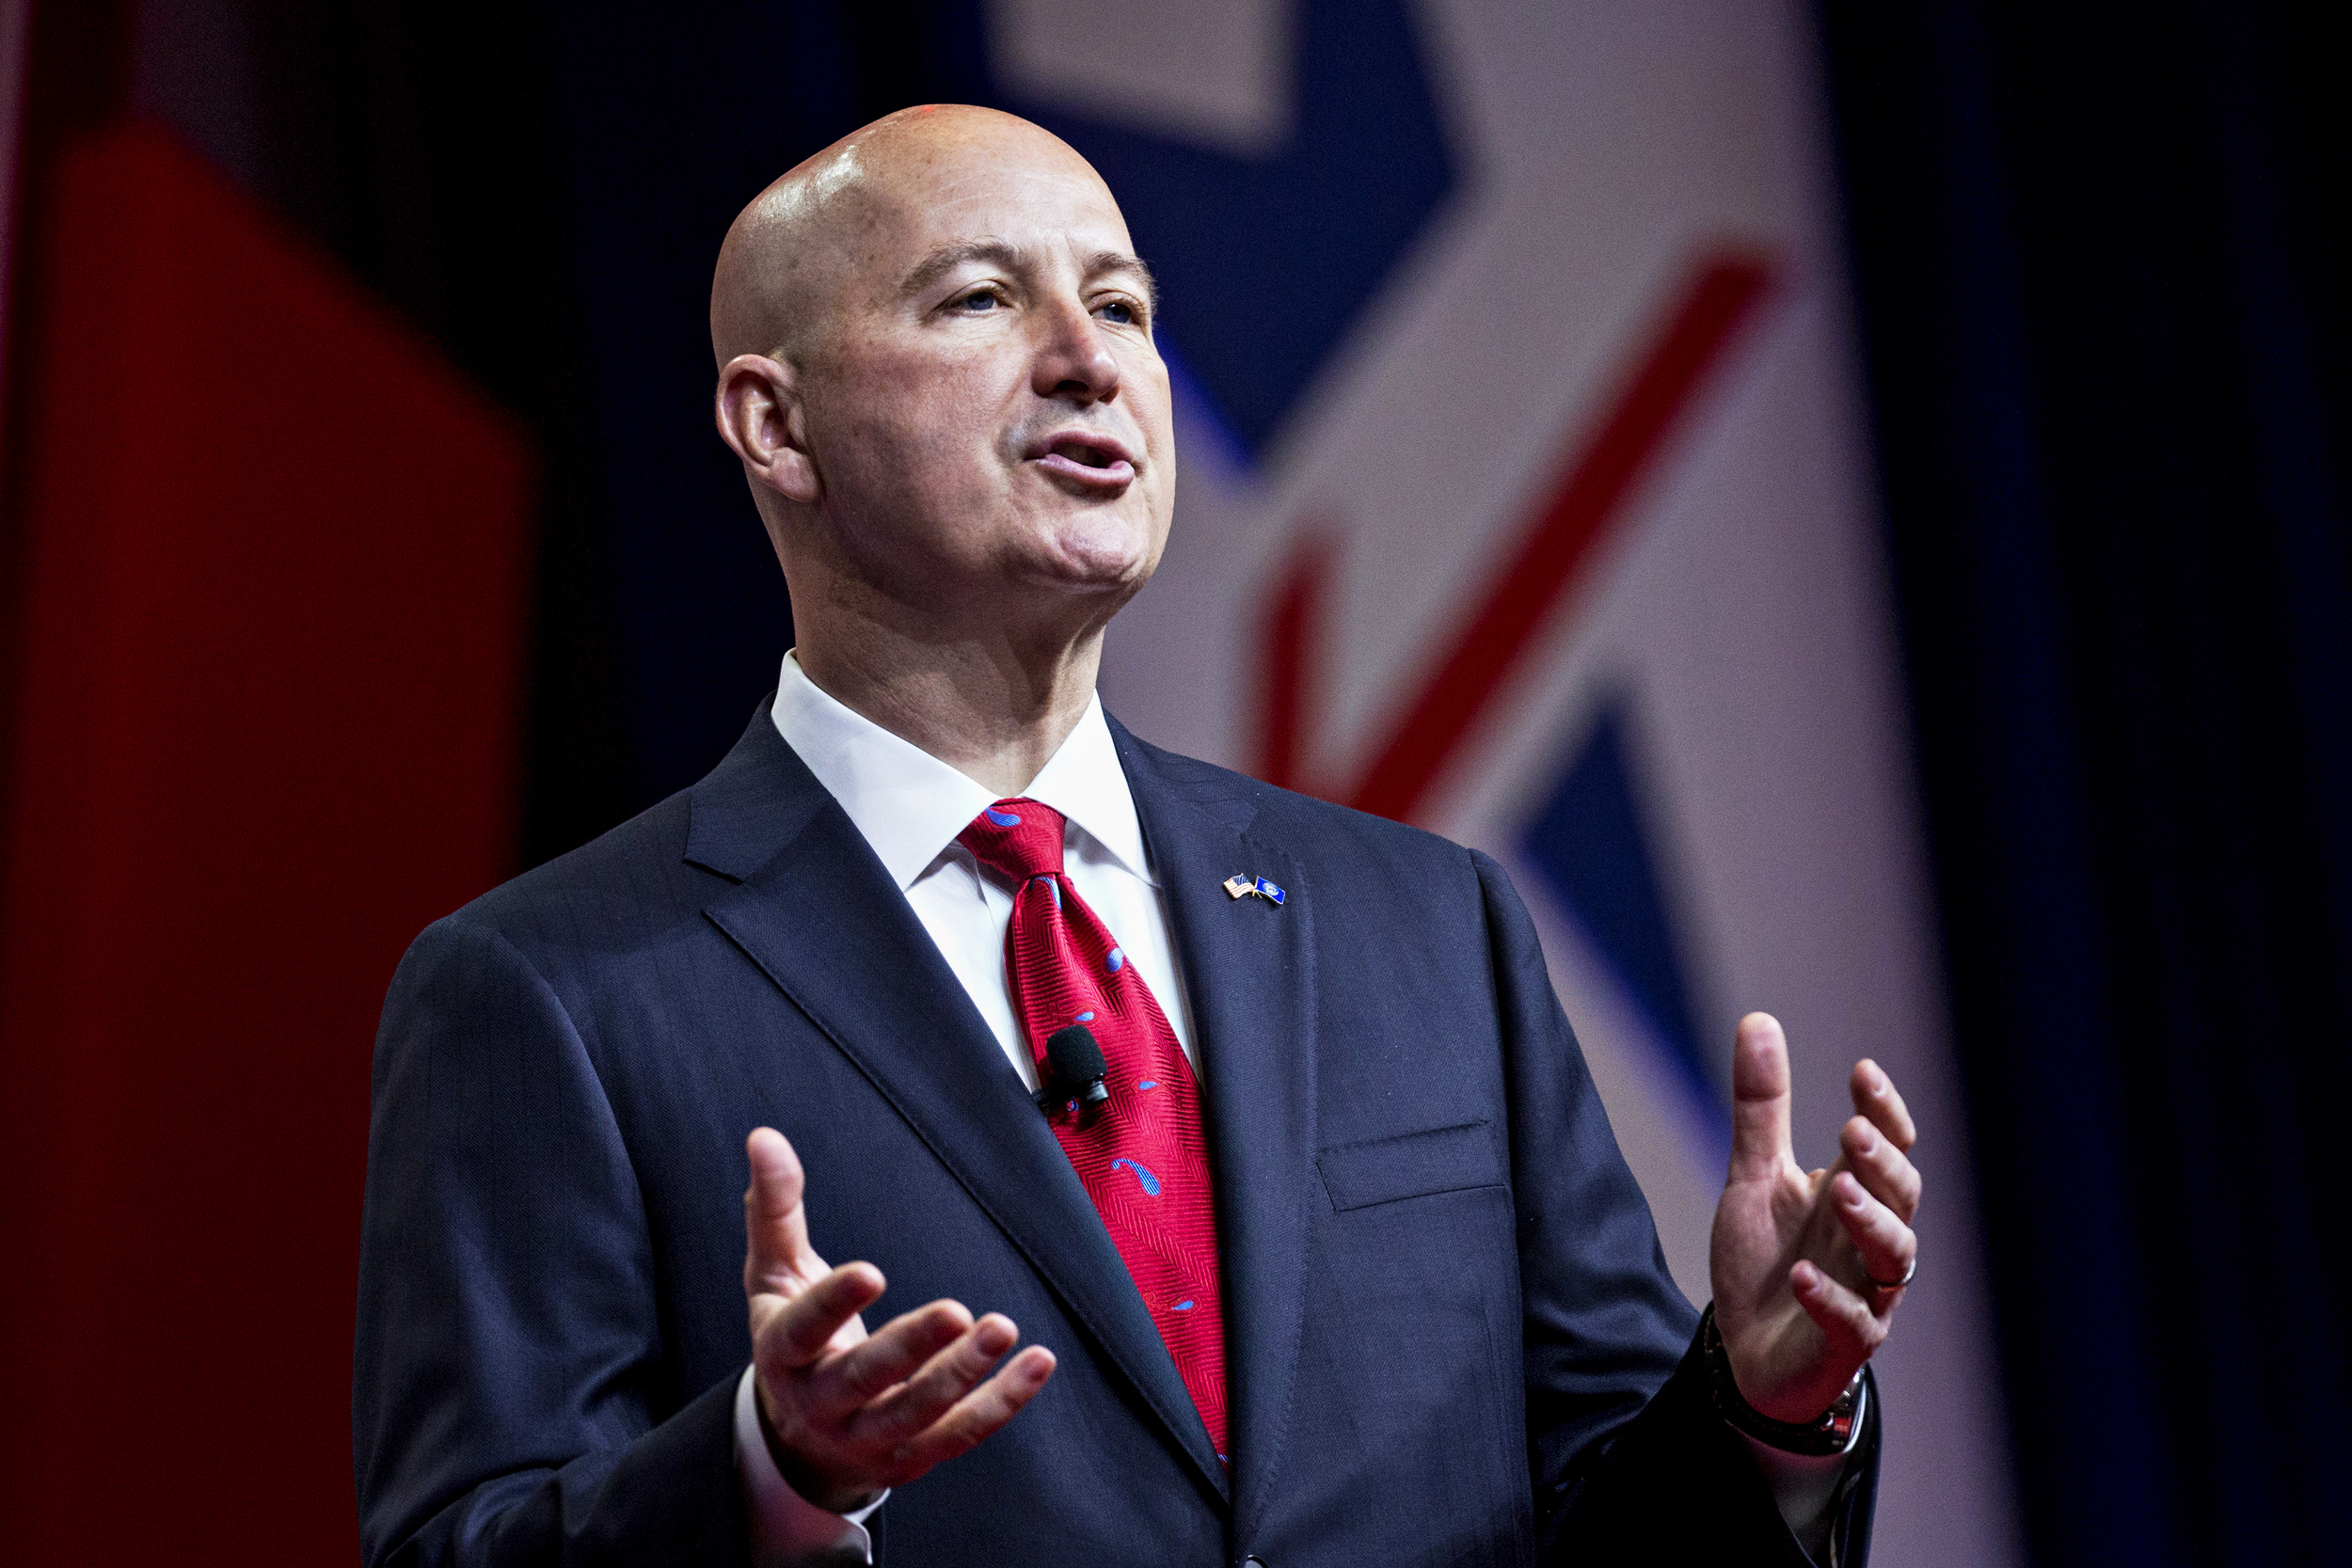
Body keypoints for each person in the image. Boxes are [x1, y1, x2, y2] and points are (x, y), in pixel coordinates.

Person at [353, 104, 1922, 1567]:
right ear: (777, 423)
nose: (1088, 361)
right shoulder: (551, 993)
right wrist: (768, 1474)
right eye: (982, 300)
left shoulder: (1430, 927)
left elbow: (1603, 1514)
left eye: (1122, 307)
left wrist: (1762, 1410)